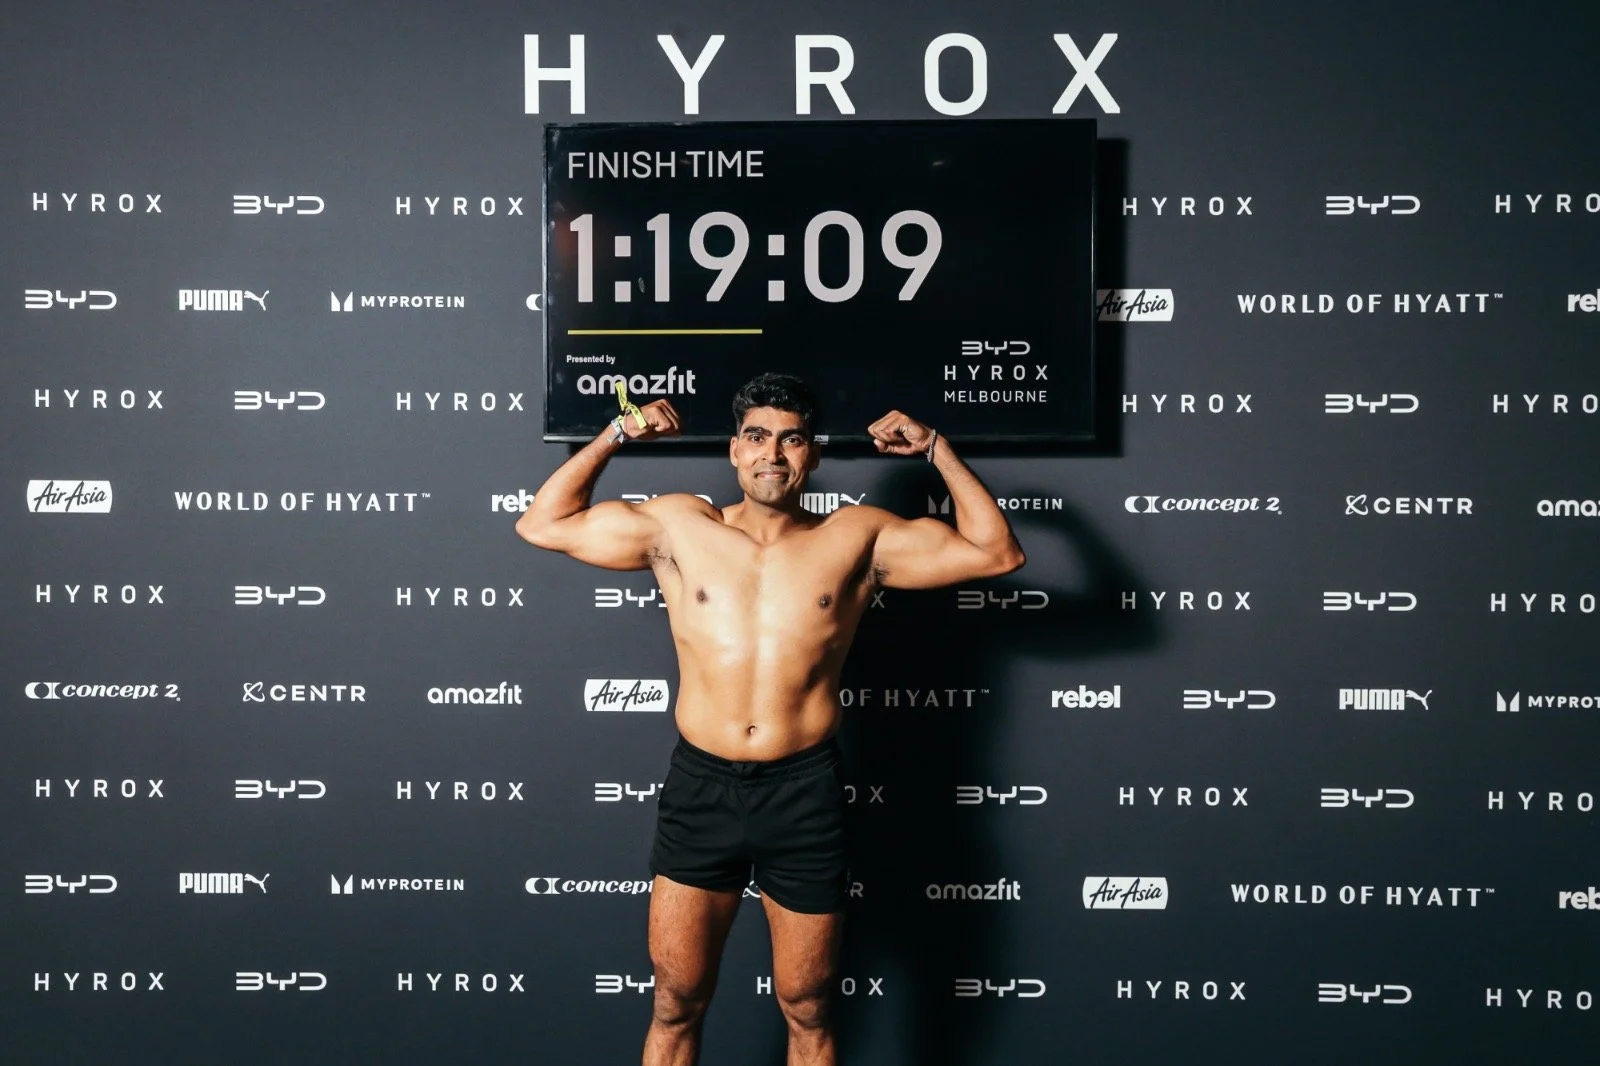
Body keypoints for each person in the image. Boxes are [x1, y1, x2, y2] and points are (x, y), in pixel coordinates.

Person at [517, 373, 1025, 1066]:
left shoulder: (857, 537)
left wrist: (936, 447)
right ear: (734, 450)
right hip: (702, 789)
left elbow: (997, 552)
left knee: (809, 1008)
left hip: (803, 791)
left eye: (792, 440)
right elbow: (542, 523)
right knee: (675, 1001)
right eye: (757, 437)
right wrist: (618, 432)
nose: (772, 454)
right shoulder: (678, 526)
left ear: (813, 454)